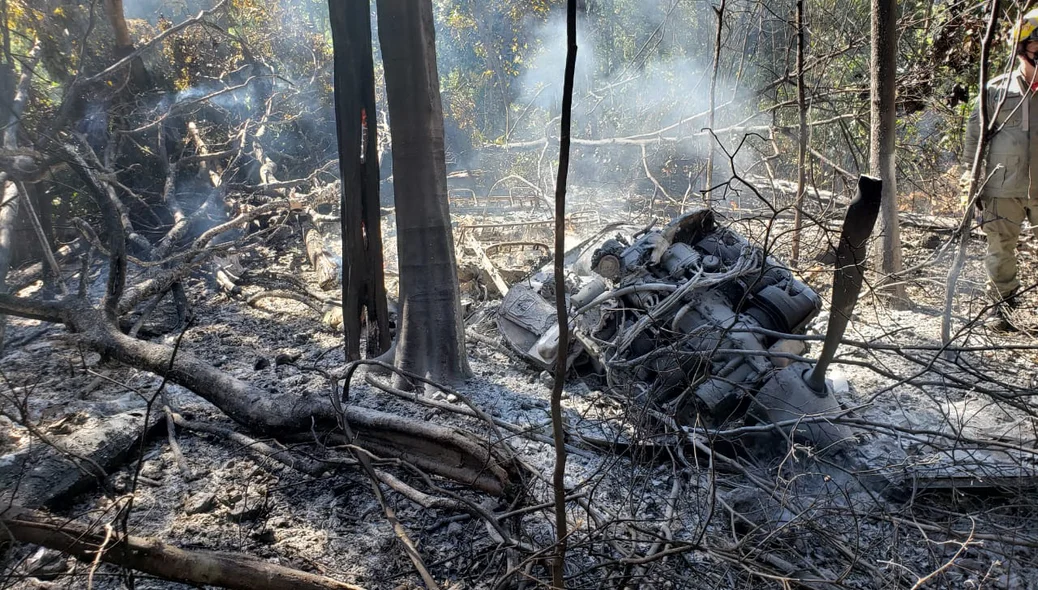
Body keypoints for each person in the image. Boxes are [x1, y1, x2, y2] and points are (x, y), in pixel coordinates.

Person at [962, 8, 1038, 330]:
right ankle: (1002, 308)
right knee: (1000, 248)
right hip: (1002, 186)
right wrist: (970, 183)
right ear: (1022, 50)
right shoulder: (995, 90)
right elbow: (975, 137)